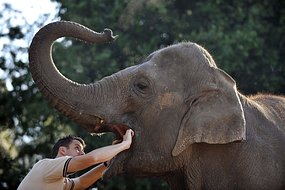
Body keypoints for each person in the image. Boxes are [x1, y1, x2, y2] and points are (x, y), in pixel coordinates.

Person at [17, 129, 134, 190]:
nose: (82, 153)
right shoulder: (45, 165)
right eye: (77, 148)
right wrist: (124, 144)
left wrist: (106, 163)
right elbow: (92, 158)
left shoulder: (60, 182)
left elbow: (82, 182)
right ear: (62, 150)